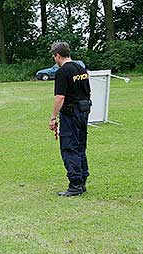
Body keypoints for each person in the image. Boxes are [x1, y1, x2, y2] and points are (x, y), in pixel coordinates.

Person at [48, 42, 91, 196]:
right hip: (84, 111)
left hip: (70, 113)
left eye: (54, 57)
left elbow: (60, 97)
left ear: (57, 55)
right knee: (80, 146)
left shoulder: (62, 72)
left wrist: (53, 118)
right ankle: (82, 180)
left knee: (69, 147)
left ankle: (75, 184)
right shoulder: (81, 68)